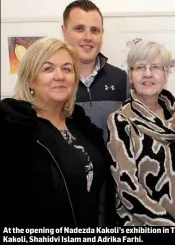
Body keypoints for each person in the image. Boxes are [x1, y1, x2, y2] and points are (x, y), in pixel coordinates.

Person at [1, 37, 116, 227]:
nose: (60, 76)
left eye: (66, 69)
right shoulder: (14, 129)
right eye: (48, 69)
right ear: (30, 80)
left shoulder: (83, 127)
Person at [106, 39, 175, 226]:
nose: (147, 74)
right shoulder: (120, 120)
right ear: (130, 76)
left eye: (155, 67)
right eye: (139, 67)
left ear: (166, 74)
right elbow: (126, 187)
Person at [62, 0, 129, 141]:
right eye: (79, 29)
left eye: (95, 30)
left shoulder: (121, 79)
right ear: (64, 31)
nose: (88, 37)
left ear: (102, 34)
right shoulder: (52, 80)